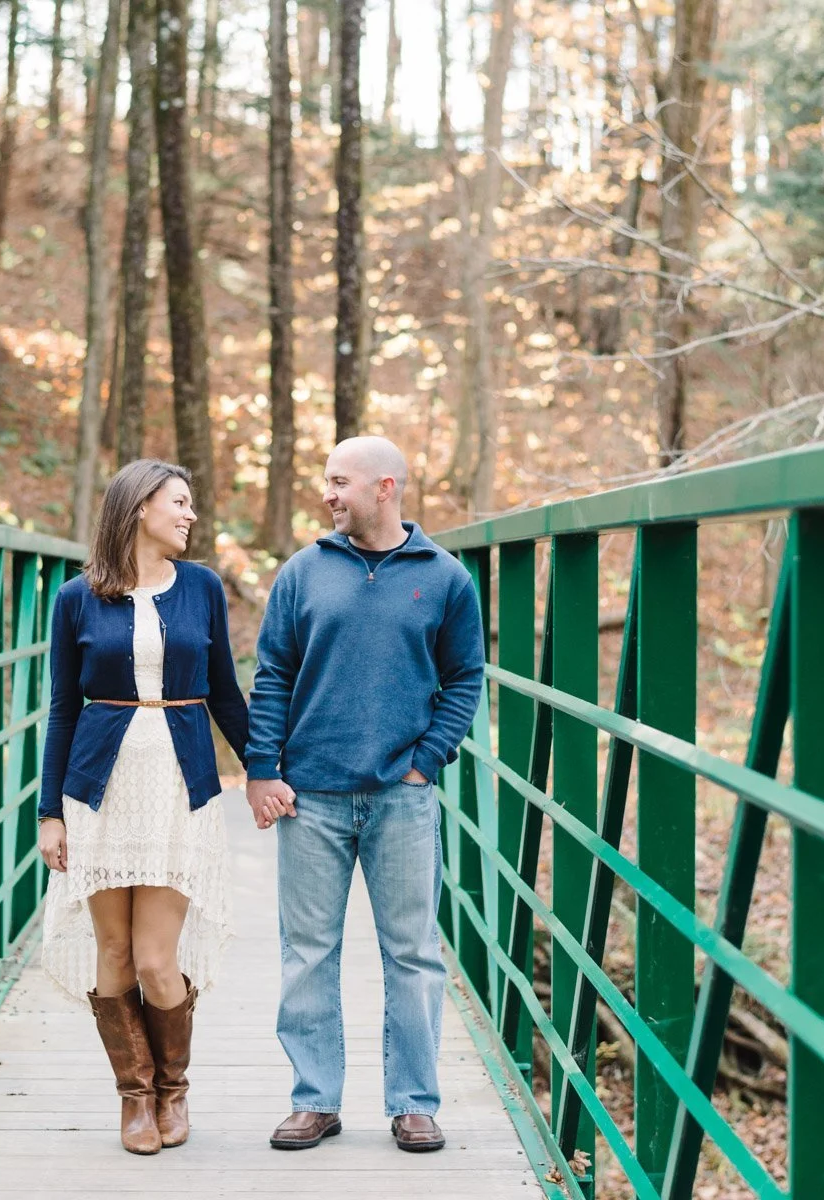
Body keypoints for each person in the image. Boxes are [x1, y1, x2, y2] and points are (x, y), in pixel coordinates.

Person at [245, 436, 485, 1154]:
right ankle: (315, 1100)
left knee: (412, 953)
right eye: (326, 480)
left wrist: (426, 761)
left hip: (401, 797)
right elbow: (273, 675)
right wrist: (263, 766)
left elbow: (465, 678)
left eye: (340, 481)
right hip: (309, 795)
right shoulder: (302, 573)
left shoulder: (445, 579)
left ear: (386, 488)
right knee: (308, 952)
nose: (328, 493)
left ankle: (413, 1102)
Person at [36, 458, 251, 1155]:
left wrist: (267, 769)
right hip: (100, 787)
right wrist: (50, 811)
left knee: (158, 959)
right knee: (115, 950)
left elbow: (224, 693)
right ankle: (135, 1099)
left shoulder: (202, 589)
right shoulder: (77, 598)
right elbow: (63, 710)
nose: (191, 515)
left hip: (178, 787)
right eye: (180, 502)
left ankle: (173, 1088)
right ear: (138, 509)